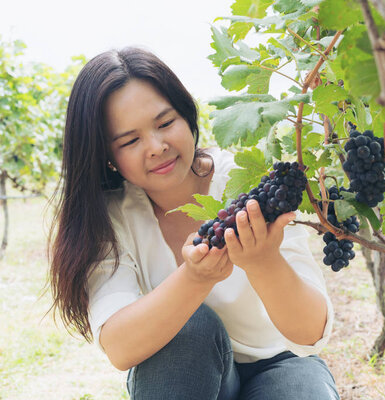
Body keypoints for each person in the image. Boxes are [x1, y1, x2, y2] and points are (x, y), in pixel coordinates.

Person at [48, 47, 339, 400]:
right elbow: (120, 348)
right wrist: (194, 279)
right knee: (190, 328)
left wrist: (264, 263)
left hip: (283, 362)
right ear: (107, 157)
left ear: (187, 117)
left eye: (165, 123)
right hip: (185, 372)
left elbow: (311, 332)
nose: (156, 146)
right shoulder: (110, 217)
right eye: (130, 140)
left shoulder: (249, 182)